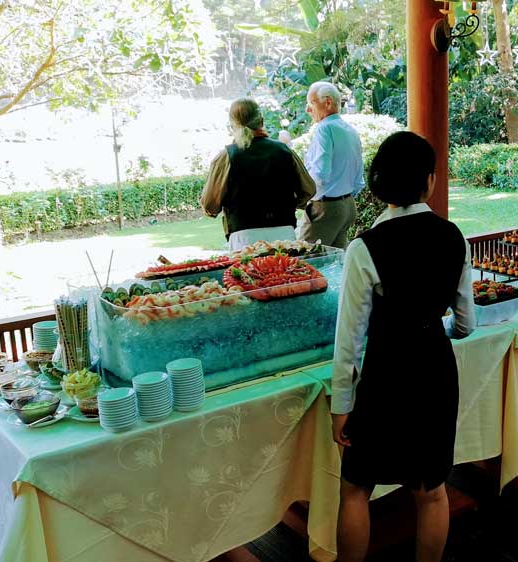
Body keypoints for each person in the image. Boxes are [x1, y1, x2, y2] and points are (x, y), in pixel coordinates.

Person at [330, 131, 474, 562]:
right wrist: (433, 327)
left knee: (355, 488)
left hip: (385, 374)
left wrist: (341, 405)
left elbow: (349, 339)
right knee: (432, 491)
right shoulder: (453, 236)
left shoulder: (364, 247)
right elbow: (465, 322)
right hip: (435, 370)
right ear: (429, 180)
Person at [201, 98, 316, 250]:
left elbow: (210, 205)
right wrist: (290, 204)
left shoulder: (226, 157)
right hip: (283, 230)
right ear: (261, 121)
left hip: (244, 235)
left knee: (247, 267)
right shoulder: (284, 151)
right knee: (285, 266)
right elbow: (309, 189)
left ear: (232, 125)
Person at [297, 81, 365, 249]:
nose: (308, 110)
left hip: (326, 208)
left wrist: (302, 196)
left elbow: (320, 174)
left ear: (327, 102)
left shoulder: (324, 129)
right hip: (347, 206)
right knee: (336, 260)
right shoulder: (349, 130)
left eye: (311, 103)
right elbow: (359, 179)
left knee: (304, 258)